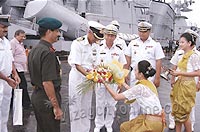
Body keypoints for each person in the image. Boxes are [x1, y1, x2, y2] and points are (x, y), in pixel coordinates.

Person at [101, 60, 165, 132]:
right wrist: (123, 83)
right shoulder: (149, 84)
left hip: (151, 124)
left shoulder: (140, 87)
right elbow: (134, 92)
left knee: (126, 128)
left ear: (140, 74)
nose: (134, 72)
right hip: (158, 121)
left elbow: (116, 97)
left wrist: (105, 83)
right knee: (125, 127)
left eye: (135, 70)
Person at [68, 21, 105, 132]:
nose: (97, 40)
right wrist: (91, 76)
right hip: (78, 79)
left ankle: (85, 129)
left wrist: (100, 72)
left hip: (89, 80)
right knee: (76, 107)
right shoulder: (77, 43)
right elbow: (77, 65)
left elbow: (96, 63)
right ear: (89, 32)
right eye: (95, 36)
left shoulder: (96, 45)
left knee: (86, 106)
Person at [28, 17, 63, 132]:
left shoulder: (35, 49)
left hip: (38, 95)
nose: (58, 34)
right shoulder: (47, 53)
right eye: (56, 31)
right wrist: (56, 107)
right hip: (47, 98)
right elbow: (47, 82)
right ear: (49, 32)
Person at [124, 21, 165, 120]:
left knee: (147, 103)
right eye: (140, 31)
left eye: (144, 32)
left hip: (149, 78)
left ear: (149, 31)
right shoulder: (133, 43)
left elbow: (158, 62)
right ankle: (133, 123)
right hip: (135, 76)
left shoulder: (155, 45)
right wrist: (125, 73)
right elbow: (127, 59)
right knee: (134, 102)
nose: (142, 34)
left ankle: (146, 125)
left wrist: (158, 78)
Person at [94, 24, 127, 132]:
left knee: (111, 103)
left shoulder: (119, 50)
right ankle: (98, 124)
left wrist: (121, 82)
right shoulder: (98, 48)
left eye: (112, 36)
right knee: (100, 102)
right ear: (104, 35)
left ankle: (108, 124)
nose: (109, 37)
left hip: (113, 81)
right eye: (108, 35)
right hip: (100, 80)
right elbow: (94, 64)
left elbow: (122, 66)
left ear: (115, 37)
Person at [169, 29, 200, 131]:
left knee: (184, 115)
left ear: (189, 43)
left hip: (187, 87)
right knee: (177, 113)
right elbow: (176, 67)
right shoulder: (181, 54)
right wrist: (173, 76)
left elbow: (198, 72)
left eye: (182, 42)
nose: (180, 44)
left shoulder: (194, 56)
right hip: (180, 85)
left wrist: (179, 73)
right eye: (180, 42)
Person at [0, 15, 20, 132]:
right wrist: (7, 79)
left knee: (5, 109)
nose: (6, 29)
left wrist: (15, 73)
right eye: (3, 27)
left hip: (7, 81)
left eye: (7, 27)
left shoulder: (6, 42)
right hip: (3, 80)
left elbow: (10, 60)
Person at [10, 29, 31, 109]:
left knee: (16, 86)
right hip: (16, 68)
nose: (23, 38)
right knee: (23, 85)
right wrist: (13, 70)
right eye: (22, 36)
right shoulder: (13, 43)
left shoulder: (20, 43)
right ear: (16, 35)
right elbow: (11, 56)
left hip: (21, 68)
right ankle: (26, 104)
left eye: (24, 36)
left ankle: (14, 103)